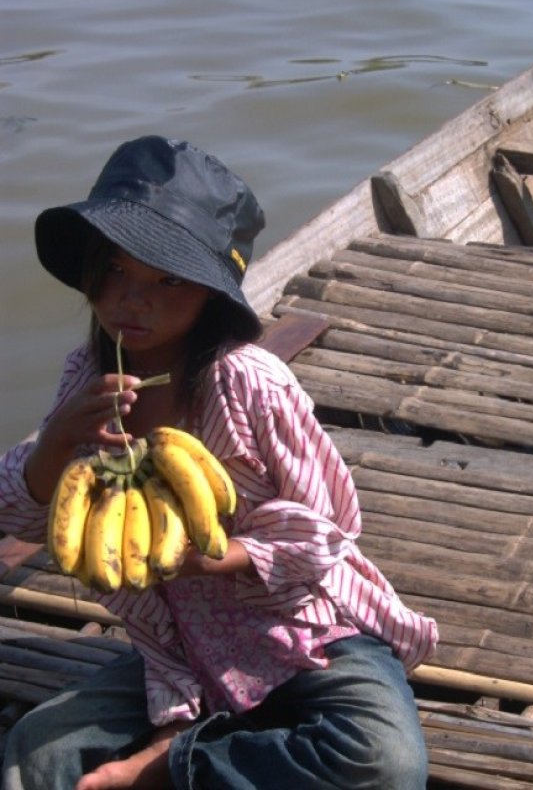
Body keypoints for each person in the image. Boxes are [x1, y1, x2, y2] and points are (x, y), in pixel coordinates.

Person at [0, 135, 438, 790]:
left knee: (384, 760)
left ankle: (171, 764)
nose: (133, 298)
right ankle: (198, 734)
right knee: (38, 751)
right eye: (115, 270)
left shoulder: (249, 381)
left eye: (166, 279)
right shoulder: (85, 379)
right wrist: (57, 439)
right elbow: (26, 519)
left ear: (208, 293)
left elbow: (331, 527)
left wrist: (214, 555)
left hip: (306, 628)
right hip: (178, 647)